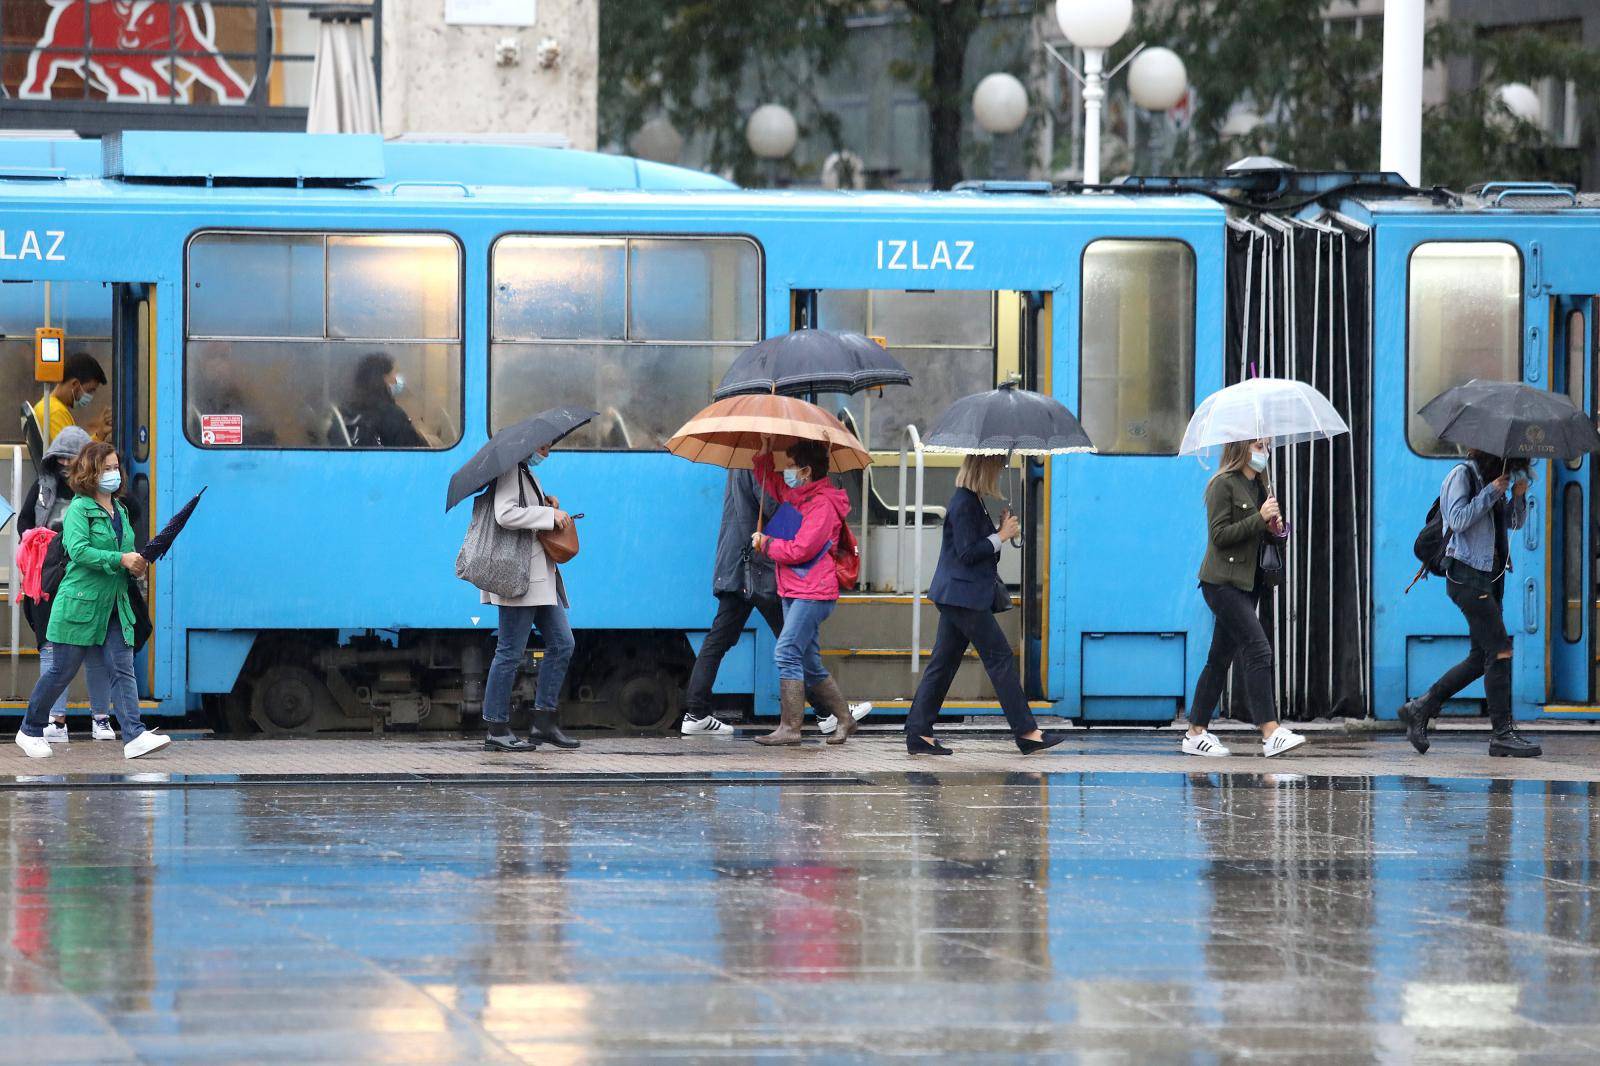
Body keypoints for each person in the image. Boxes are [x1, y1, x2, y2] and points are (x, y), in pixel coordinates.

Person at [681, 467, 871, 737]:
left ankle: (696, 712)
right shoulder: (754, 466)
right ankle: (827, 713)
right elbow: (776, 511)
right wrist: (807, 510)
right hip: (756, 569)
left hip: (738, 565)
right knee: (793, 643)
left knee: (723, 640)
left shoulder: (741, 463)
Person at [13, 443, 169, 761]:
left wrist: (136, 562)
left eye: (116, 468)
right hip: (79, 604)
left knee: (122, 668)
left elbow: (126, 553)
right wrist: (121, 559)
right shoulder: (79, 510)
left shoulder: (121, 511)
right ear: (90, 473)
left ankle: (135, 735)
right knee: (61, 670)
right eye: (106, 468)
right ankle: (29, 730)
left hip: (114, 604)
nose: (113, 474)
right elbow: (79, 550)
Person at [903, 456, 1068, 756]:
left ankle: (918, 732)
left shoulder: (972, 500)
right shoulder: (965, 502)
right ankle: (1027, 732)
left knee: (944, 662)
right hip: (963, 596)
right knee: (1000, 657)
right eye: (997, 467)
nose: (1000, 472)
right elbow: (968, 553)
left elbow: (977, 550)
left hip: (959, 594)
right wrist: (1001, 536)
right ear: (984, 468)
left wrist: (999, 532)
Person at [1399, 450, 1540, 758]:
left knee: (1481, 657)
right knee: (1499, 650)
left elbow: (1512, 524)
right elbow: (1459, 519)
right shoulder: (1462, 475)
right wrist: (1492, 492)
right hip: (1467, 579)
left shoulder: (1493, 479)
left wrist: (1517, 497)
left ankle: (1420, 708)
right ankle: (1502, 733)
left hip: (1490, 579)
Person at [1182, 439, 1306, 759]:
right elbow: (1220, 536)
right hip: (1221, 583)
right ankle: (1270, 731)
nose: (1264, 452)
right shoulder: (1222, 485)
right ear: (1242, 448)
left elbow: (1260, 535)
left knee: (1219, 658)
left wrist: (1276, 528)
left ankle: (1196, 732)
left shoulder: (1259, 485)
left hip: (1247, 584)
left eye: (1266, 446)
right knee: (1258, 647)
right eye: (1259, 445)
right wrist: (1258, 518)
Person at [748, 437, 861, 746]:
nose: (788, 472)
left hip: (814, 591)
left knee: (786, 652)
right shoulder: (801, 496)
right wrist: (763, 455)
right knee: (810, 663)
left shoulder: (822, 505)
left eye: (792, 467)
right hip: (795, 589)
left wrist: (766, 544)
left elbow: (800, 549)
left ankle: (790, 727)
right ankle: (846, 719)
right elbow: (773, 485)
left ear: (807, 471)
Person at [16, 426, 114, 743]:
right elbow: (24, 525)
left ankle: (101, 718)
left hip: (89, 578)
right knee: (51, 648)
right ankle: (54, 721)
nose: (62, 464)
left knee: (96, 650)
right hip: (49, 579)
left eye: (69, 459)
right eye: (58, 458)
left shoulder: (99, 494)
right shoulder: (43, 487)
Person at [479, 444, 580, 751]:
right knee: (509, 651)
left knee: (563, 643)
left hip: (539, 578)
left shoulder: (527, 472)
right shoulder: (511, 470)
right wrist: (548, 515)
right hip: (519, 576)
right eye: (544, 445)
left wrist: (547, 503)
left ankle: (543, 723)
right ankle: (496, 728)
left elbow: (525, 508)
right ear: (528, 445)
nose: (547, 450)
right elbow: (505, 514)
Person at [341, 353, 425, 448]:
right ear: (383, 378)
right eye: (394, 373)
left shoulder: (348, 410)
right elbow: (413, 450)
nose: (396, 380)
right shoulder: (392, 415)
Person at [33, 352, 110, 445]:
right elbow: (72, 457)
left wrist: (100, 434)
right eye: (89, 390)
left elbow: (76, 451)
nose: (90, 396)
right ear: (75, 384)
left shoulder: (53, 407)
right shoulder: (54, 412)